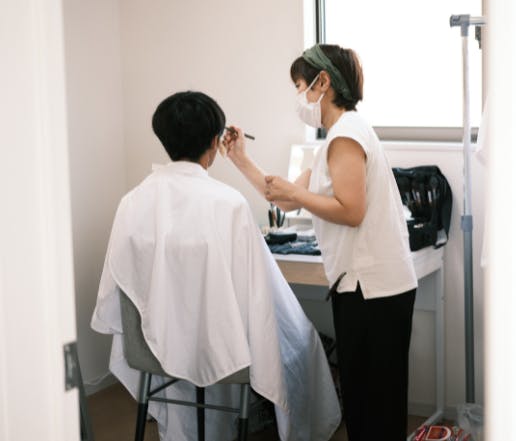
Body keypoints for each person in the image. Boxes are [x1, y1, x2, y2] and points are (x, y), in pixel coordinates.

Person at [94, 92, 340, 441]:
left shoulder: (132, 202)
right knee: (300, 337)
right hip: (222, 349)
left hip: (152, 344)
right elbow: (261, 294)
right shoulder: (229, 204)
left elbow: (119, 278)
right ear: (214, 142)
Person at [217, 46, 423, 441]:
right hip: (364, 286)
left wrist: (299, 195)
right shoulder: (336, 138)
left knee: (374, 405)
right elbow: (283, 197)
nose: (299, 96)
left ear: (322, 82)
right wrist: (240, 158)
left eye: (300, 86)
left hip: (373, 289)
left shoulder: (346, 135)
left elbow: (351, 210)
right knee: (368, 402)